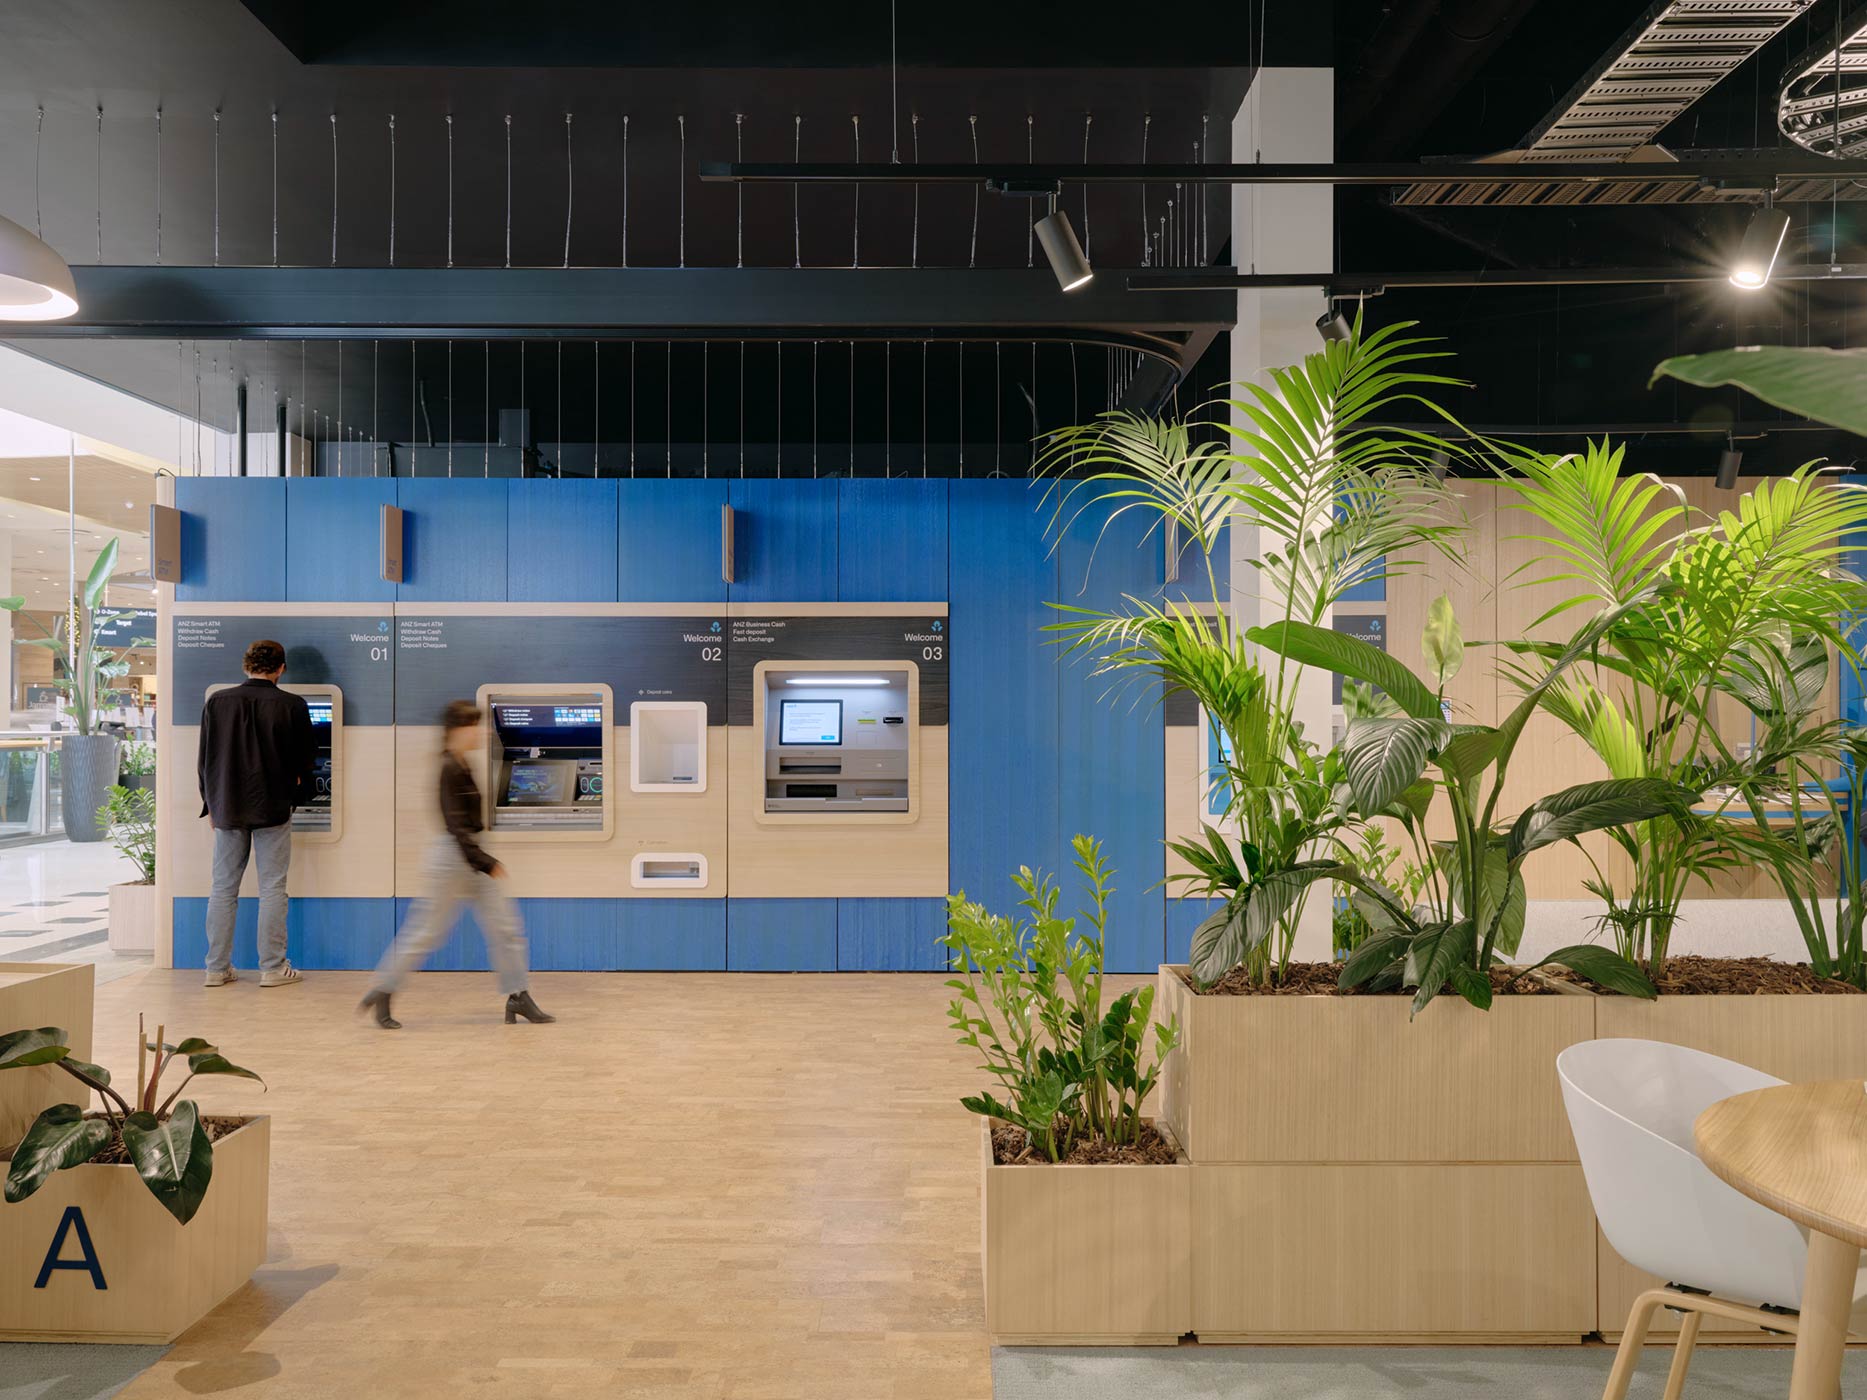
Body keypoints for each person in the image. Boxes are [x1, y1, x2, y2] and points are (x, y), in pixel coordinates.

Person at [360, 700, 554, 1030]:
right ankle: (383, 989)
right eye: (474, 725)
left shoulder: (463, 764)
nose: (481, 731)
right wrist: (486, 862)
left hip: (471, 855)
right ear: (457, 730)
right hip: (453, 859)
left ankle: (518, 995)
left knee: (505, 929)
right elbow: (456, 826)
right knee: (426, 932)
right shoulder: (448, 768)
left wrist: (482, 858)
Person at [198, 638, 312, 989]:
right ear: (281, 668)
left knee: (222, 889)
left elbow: (204, 760)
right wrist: (297, 796)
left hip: (227, 807)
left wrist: (210, 804)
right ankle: (273, 969)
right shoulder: (292, 705)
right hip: (273, 807)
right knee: (273, 888)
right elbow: (307, 761)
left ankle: (216, 969)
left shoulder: (217, 701)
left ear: (246, 665)